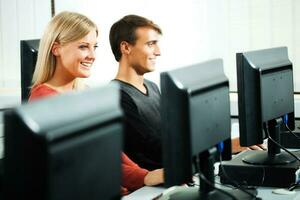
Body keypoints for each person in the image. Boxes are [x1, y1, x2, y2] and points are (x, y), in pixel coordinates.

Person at [29, 11, 163, 195]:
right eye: (84, 47)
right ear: (56, 49)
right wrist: (144, 177)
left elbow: (112, 152)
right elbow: (87, 160)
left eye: (95, 47)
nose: (92, 55)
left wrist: (148, 175)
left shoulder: (84, 93)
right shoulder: (45, 100)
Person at [109, 15, 266, 170]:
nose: (158, 52)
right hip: (155, 186)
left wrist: (227, 146)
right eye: (151, 44)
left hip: (181, 172)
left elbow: (173, 138)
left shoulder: (151, 87)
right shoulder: (117, 97)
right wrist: (225, 147)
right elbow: (156, 151)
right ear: (126, 47)